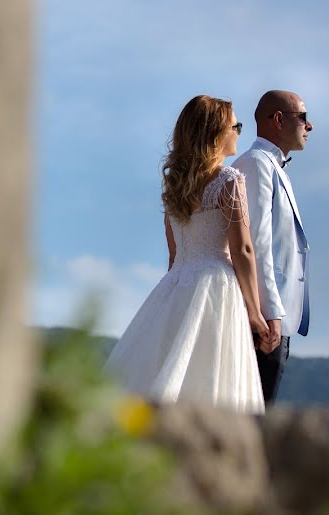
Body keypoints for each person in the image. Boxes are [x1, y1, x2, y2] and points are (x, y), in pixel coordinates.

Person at [105, 95, 269, 414]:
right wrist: (254, 310)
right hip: (217, 287)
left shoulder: (174, 187)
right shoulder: (229, 181)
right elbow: (244, 250)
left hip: (177, 284)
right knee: (215, 374)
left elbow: (174, 254)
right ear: (215, 133)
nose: (239, 131)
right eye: (235, 125)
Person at [231, 90, 313, 405]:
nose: (310, 126)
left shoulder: (272, 166)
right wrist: (270, 312)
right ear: (278, 119)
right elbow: (256, 243)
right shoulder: (255, 164)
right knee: (256, 413)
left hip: (274, 317)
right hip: (265, 319)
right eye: (303, 117)